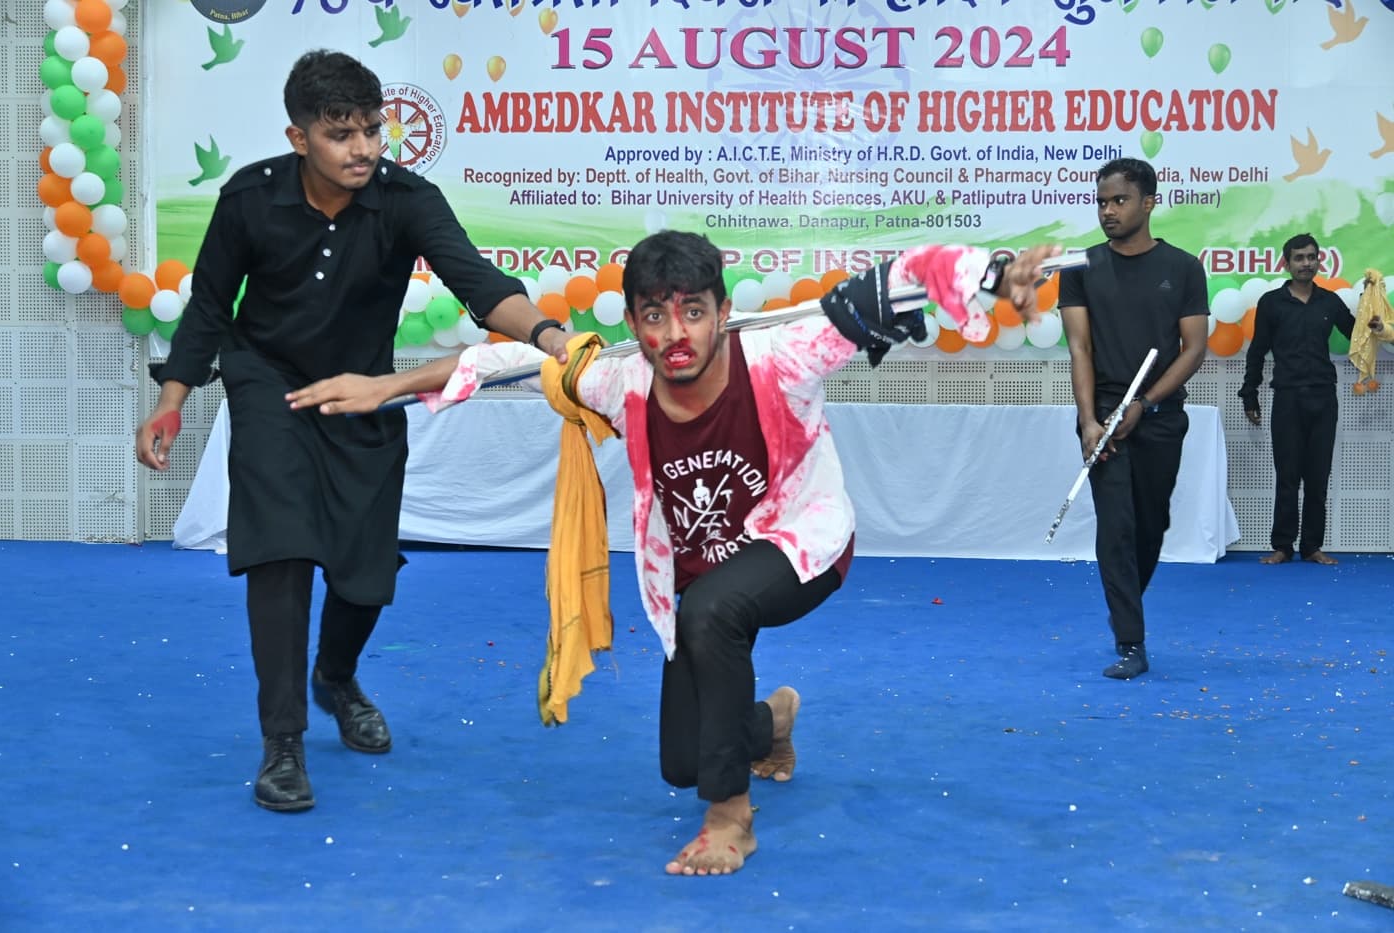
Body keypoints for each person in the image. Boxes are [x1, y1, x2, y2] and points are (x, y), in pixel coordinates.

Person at [294, 230, 1060, 872]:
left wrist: (997, 275)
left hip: (801, 545)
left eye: (694, 312)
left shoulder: (783, 354)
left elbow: (901, 277)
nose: (674, 335)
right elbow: (508, 361)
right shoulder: (619, 379)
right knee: (681, 760)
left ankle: (731, 818)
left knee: (714, 609)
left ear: (723, 311)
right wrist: (384, 385)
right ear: (633, 319)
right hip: (693, 580)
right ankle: (770, 724)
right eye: (654, 316)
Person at [134, 50, 571, 813]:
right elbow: (208, 308)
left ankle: (335, 676)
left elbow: (478, 283)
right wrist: (172, 399)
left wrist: (550, 337)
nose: (364, 148)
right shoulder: (249, 199)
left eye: (372, 128)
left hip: (367, 388)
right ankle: (283, 744)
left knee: (366, 572)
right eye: (342, 133)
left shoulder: (406, 199)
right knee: (284, 548)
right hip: (269, 383)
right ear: (299, 137)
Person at [1058, 157, 1209, 681]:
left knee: (1150, 528)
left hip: (1160, 417)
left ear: (1148, 202)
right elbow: (1080, 347)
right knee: (1115, 531)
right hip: (1104, 417)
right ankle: (1131, 641)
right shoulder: (1081, 267)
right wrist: (1088, 421)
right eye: (1101, 202)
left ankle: (1127, 603)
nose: (1108, 211)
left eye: (1119, 200)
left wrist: (1145, 404)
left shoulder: (1184, 268)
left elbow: (1194, 350)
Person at [1238, 234, 1354, 566]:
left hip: (1323, 399)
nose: (1306, 263)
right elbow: (1257, 352)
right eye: (1299, 258)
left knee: (1318, 478)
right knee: (1287, 476)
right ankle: (1283, 546)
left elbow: (1356, 335)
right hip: (1287, 399)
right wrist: (1250, 396)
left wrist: (1375, 325)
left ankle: (1312, 547)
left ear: (1320, 261)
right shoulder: (1271, 303)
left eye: (1311, 257)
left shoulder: (1330, 303)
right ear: (1286, 263)